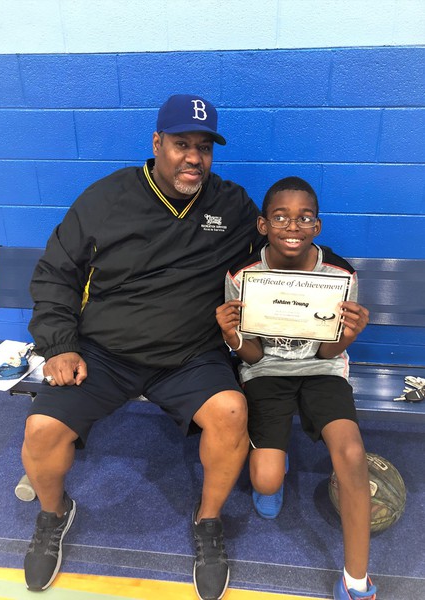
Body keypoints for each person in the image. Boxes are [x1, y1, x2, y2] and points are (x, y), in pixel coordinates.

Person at [22, 93, 264, 600]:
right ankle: (54, 513)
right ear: (157, 143)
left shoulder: (232, 205)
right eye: (181, 144)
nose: (193, 158)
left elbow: (280, 250)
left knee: (232, 412)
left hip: (191, 355)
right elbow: (55, 274)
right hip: (104, 353)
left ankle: (208, 521)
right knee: (41, 429)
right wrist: (59, 345)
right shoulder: (106, 198)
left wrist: (331, 283)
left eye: (204, 147)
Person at [216, 177, 377, 600]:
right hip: (267, 371)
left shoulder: (339, 274)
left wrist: (348, 336)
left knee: (352, 453)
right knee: (267, 481)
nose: (293, 227)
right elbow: (253, 357)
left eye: (304, 218)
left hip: (322, 369)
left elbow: (327, 353)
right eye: (281, 217)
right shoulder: (243, 275)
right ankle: (274, 457)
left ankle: (356, 581)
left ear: (317, 226)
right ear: (263, 225)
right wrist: (232, 336)